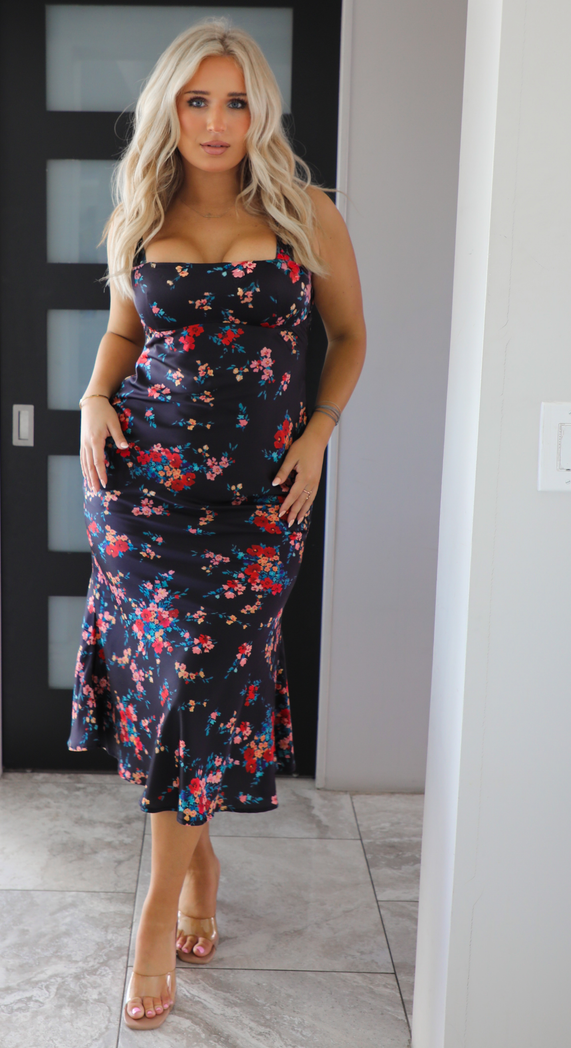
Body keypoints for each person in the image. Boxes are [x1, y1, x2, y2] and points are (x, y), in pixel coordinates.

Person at [69, 18, 366, 1031]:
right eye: (196, 99)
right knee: (168, 693)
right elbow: (122, 330)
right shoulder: (140, 208)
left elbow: (351, 334)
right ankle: (179, 890)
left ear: (259, 112)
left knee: (204, 672)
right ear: (169, 108)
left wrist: (318, 432)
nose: (214, 120)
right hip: (141, 495)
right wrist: (91, 400)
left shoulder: (303, 211)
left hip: (256, 507)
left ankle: (163, 898)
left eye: (234, 100)